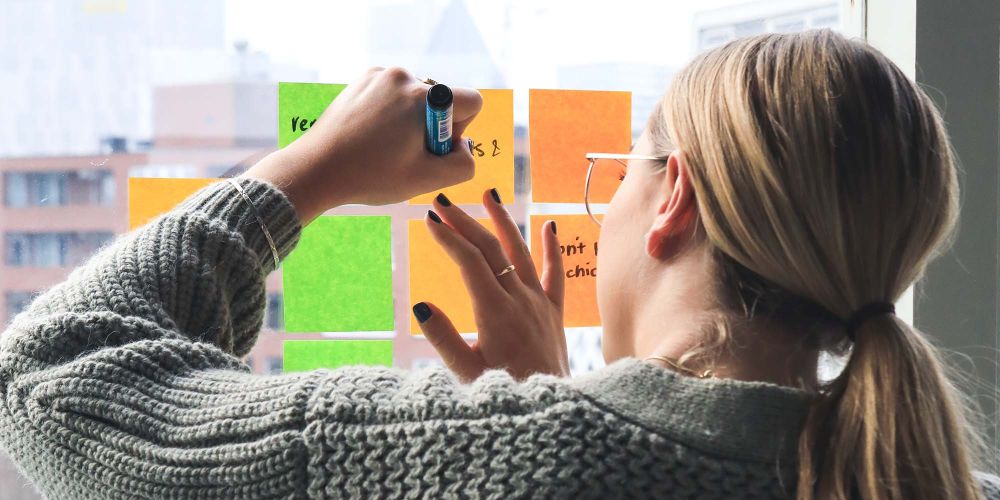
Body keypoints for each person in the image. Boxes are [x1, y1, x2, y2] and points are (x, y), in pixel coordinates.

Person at [0, 29, 997, 499]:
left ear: (675, 201)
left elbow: (49, 380)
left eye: (626, 169)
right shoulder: (941, 480)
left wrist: (313, 168)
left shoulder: (494, 457)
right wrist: (550, 400)